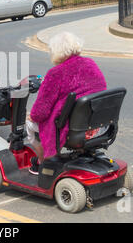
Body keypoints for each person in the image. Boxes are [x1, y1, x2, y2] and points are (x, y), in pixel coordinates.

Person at [27, 32, 107, 175]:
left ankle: (42, 163)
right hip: (96, 125)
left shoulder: (55, 73)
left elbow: (40, 112)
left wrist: (31, 116)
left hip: (72, 129)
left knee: (29, 125)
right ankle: (81, 152)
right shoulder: (91, 64)